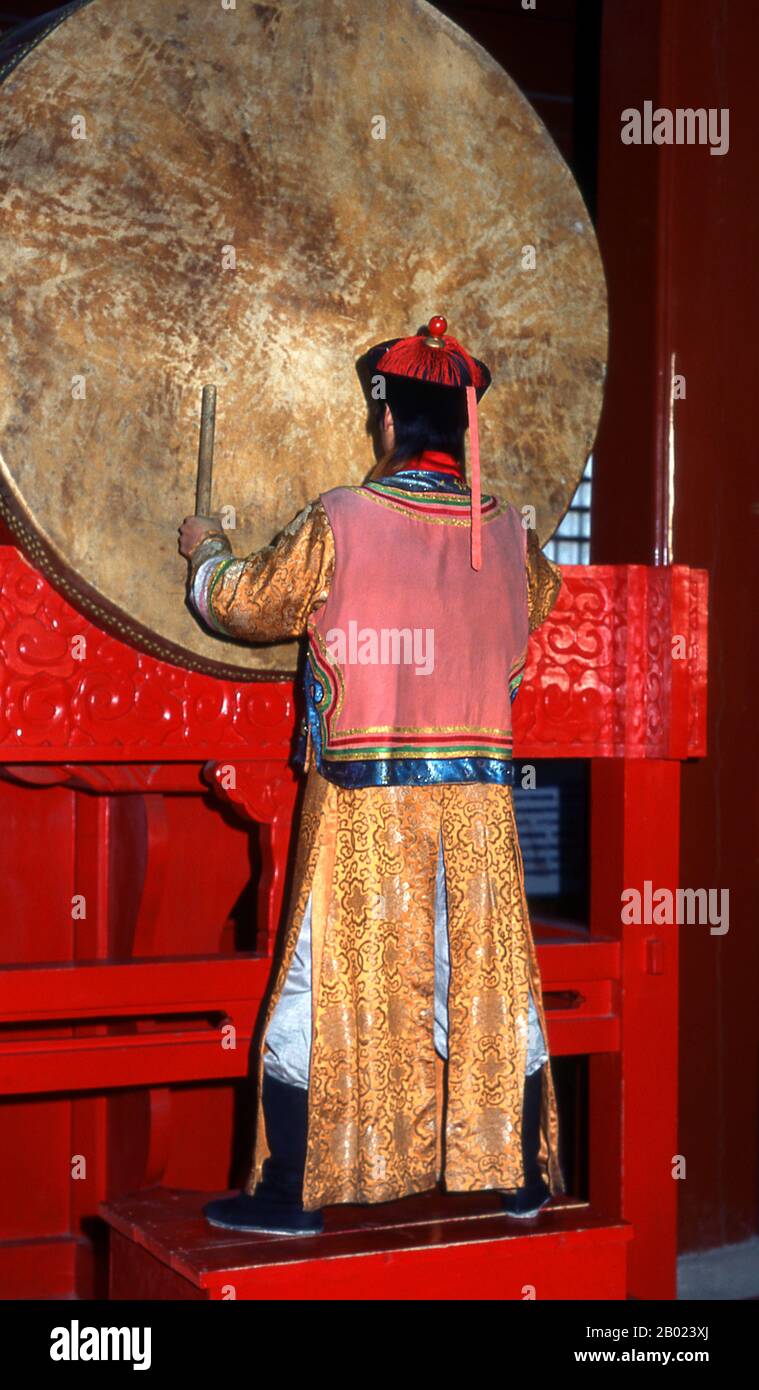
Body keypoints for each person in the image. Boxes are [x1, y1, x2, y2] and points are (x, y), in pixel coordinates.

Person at [179, 316, 566, 1236]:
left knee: (317, 987)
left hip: (364, 805)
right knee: (486, 984)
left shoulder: (344, 518)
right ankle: (516, 1180)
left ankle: (290, 1198)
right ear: (461, 430)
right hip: (476, 806)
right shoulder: (510, 534)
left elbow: (243, 603)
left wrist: (202, 552)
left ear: (386, 424)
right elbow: (535, 609)